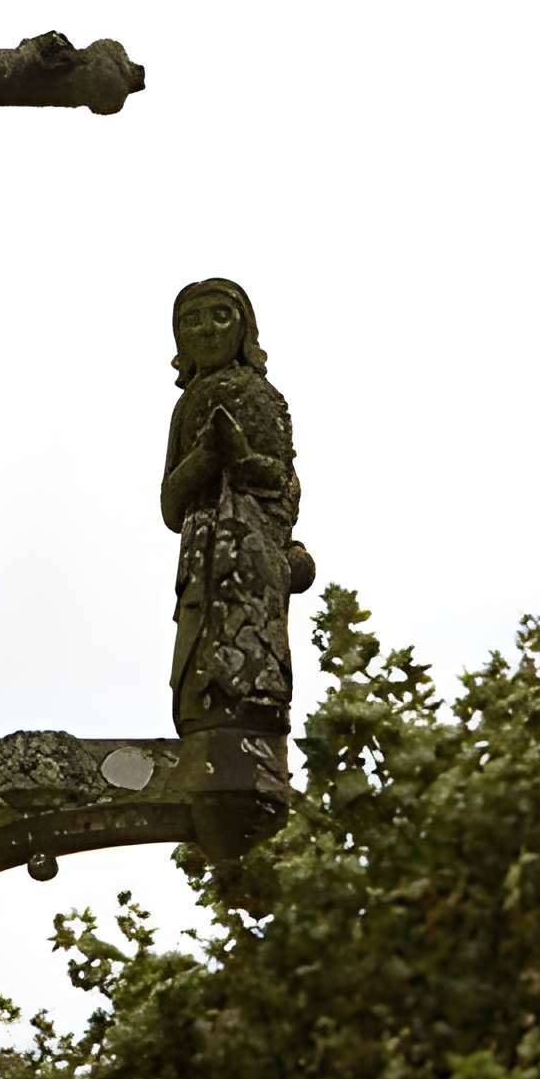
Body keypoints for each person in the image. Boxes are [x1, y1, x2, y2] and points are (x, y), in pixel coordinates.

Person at [161, 278, 313, 738]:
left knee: (247, 667)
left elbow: (282, 483)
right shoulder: (187, 405)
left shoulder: (259, 395)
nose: (206, 330)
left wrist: (242, 459)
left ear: (244, 330)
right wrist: (208, 453)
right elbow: (170, 505)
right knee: (200, 668)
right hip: (200, 555)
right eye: (191, 321)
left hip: (251, 551)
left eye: (219, 316)